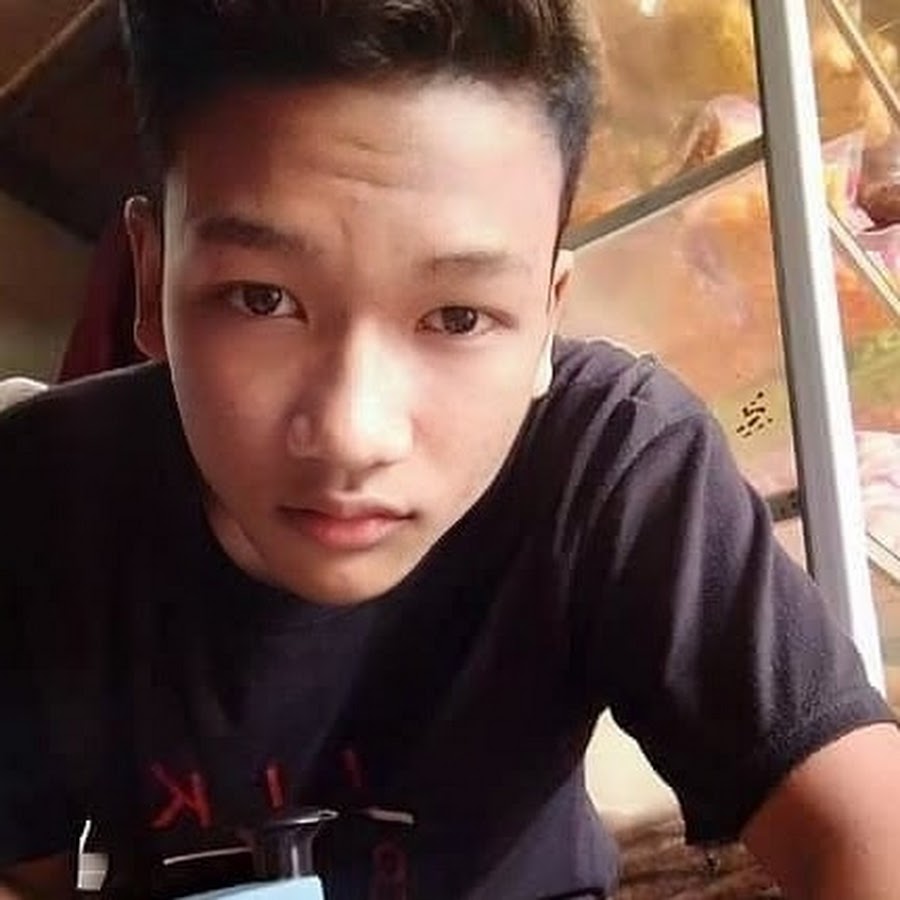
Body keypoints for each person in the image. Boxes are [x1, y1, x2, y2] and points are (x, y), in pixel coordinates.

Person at [1, 1, 898, 898]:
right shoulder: (42, 496)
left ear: (547, 316)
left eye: (459, 316)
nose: (354, 433)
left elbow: (866, 826)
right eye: (261, 299)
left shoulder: (612, 461)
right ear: (152, 280)